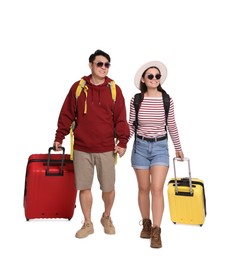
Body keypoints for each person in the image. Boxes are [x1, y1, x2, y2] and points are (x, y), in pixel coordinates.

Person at [53, 49, 130, 238]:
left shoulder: (114, 89)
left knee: (108, 189)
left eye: (107, 65)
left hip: (106, 148)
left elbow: (121, 119)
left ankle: (106, 216)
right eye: (100, 64)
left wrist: (123, 142)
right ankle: (88, 223)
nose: (104, 68)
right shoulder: (78, 88)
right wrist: (59, 137)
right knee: (84, 187)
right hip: (81, 148)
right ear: (91, 65)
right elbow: (66, 114)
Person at [128, 61, 184, 248]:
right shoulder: (136, 99)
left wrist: (178, 147)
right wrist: (121, 144)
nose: (154, 79)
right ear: (143, 79)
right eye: (150, 76)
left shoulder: (167, 100)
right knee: (143, 188)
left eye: (157, 76)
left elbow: (172, 125)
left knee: (157, 189)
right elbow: (130, 125)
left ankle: (157, 230)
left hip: (160, 147)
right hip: (140, 148)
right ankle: (146, 223)